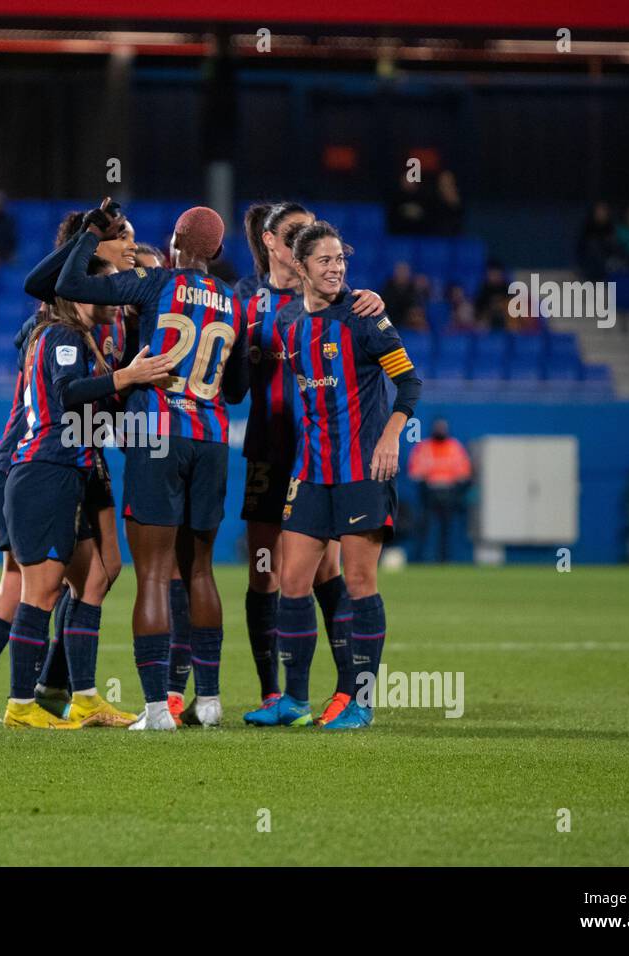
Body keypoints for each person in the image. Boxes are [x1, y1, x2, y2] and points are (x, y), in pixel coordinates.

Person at [55, 202, 248, 731]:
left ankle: (159, 709)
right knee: (201, 570)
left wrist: (90, 235)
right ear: (218, 252)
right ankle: (208, 701)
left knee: (155, 576)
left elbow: (72, 284)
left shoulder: (154, 282)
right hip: (211, 438)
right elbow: (237, 386)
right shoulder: (234, 301)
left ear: (176, 244)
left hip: (157, 432)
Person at [1, 252, 174, 729]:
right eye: (106, 285)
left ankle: (85, 698)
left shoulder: (79, 337)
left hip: (68, 472)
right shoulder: (59, 335)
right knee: (42, 590)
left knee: (94, 577)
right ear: (79, 292)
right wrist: (128, 376)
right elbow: (69, 393)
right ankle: (20, 706)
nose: (113, 296)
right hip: (44, 471)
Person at [260, 220, 422, 731]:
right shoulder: (286, 324)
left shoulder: (367, 317)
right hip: (310, 473)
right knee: (290, 583)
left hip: (361, 472)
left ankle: (362, 701)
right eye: (325, 260)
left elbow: (410, 383)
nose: (335, 269)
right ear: (301, 266)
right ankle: (295, 699)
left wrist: (392, 434)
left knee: (359, 583)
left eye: (340, 260)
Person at [236, 202, 385, 721]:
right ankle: (274, 693)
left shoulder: (344, 306)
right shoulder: (245, 300)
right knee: (267, 574)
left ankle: (350, 691)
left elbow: (396, 371)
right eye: (296, 234)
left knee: (328, 573)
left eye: (328, 251)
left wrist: (370, 301)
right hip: (269, 451)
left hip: (328, 457)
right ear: (275, 244)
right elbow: (233, 382)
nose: (324, 259)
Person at [407, 419, 472, 563]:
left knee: (446, 529)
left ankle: (444, 559)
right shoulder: (424, 447)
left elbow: (464, 471)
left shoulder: (454, 447)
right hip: (429, 493)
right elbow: (414, 471)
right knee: (425, 528)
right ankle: (420, 559)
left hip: (449, 493)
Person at [577, 201, 618, 280]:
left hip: (607, 266)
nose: (601, 213)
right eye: (599, 211)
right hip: (590, 267)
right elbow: (581, 249)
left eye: (603, 211)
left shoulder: (610, 228)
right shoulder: (588, 227)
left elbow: (613, 247)